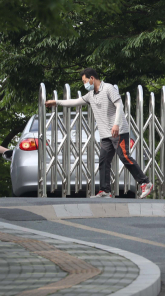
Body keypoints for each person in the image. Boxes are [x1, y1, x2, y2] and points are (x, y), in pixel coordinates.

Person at [45, 68, 153, 199]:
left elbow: (119, 105)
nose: (85, 84)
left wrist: (116, 124)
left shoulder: (108, 88)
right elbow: (74, 102)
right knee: (103, 161)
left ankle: (145, 182)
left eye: (85, 81)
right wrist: (56, 103)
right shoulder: (91, 95)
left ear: (92, 78)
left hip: (119, 131)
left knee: (124, 156)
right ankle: (105, 191)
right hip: (105, 134)